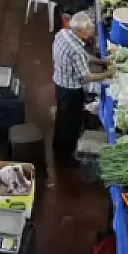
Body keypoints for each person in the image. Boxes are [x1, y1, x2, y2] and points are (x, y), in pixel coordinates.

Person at [51, 12, 114, 166]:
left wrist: (101, 61)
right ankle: (65, 157)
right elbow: (86, 77)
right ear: (80, 31)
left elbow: (84, 57)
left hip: (59, 83)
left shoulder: (64, 33)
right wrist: (107, 74)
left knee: (62, 118)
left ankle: (57, 147)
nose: (92, 31)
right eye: (89, 29)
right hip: (71, 90)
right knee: (71, 124)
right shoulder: (75, 50)